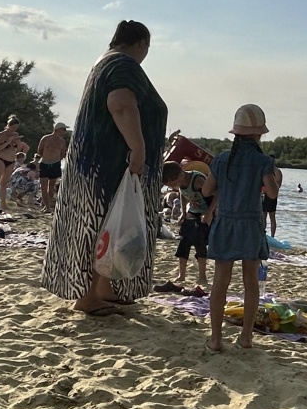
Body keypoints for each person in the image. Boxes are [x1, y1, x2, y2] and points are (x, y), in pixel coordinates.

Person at [44, 20, 168, 315]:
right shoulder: (124, 65)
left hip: (96, 162)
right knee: (102, 224)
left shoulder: (104, 62)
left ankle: (101, 288)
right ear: (141, 44)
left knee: (106, 224)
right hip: (109, 164)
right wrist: (138, 148)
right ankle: (88, 295)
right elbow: (121, 103)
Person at [202, 104, 280, 351]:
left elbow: (206, 190)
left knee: (220, 282)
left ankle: (215, 339)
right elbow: (272, 193)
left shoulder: (222, 159)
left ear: (235, 133)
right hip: (250, 225)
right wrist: (272, 177)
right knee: (250, 283)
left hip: (225, 223)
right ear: (258, 134)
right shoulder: (262, 160)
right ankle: (246, 337)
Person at [167, 158, 212, 291]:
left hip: (205, 213)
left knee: (200, 244)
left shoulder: (198, 180)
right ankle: (181, 275)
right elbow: (182, 194)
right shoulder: (181, 183)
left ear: (180, 175)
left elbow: (216, 194)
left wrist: (210, 212)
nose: (173, 187)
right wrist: (183, 212)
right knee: (184, 242)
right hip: (192, 211)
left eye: (173, 183)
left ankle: (202, 276)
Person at [0, 116, 26, 209]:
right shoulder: (1, 135)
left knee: (4, 184)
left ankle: (3, 204)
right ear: (8, 125)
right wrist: (8, 141)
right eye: (13, 127)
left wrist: (17, 141)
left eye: (16, 128)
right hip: (0, 159)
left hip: (11, 161)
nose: (14, 129)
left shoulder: (15, 135)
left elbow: (19, 149)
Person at [35, 123, 67, 213]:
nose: (64, 131)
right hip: (45, 163)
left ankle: (48, 206)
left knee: (51, 186)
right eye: (63, 129)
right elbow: (39, 151)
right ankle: (47, 206)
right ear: (58, 129)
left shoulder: (62, 141)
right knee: (43, 187)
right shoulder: (46, 138)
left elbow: (62, 154)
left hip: (55, 164)